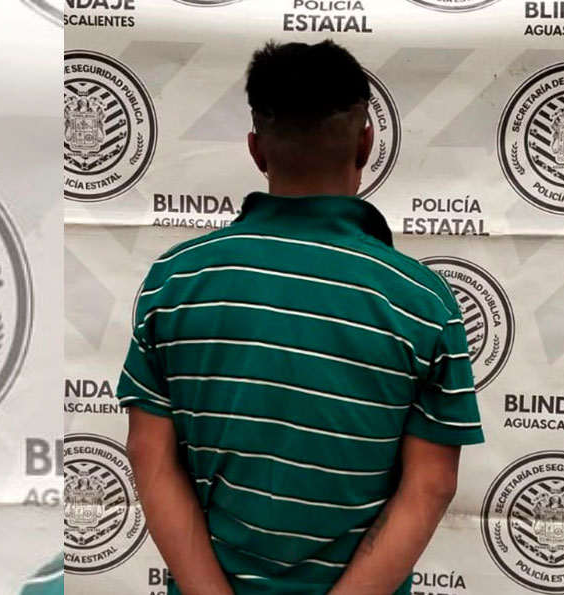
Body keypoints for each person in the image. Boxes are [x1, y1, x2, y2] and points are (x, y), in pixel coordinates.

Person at [117, 39, 484, 595]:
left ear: (256, 149)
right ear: (366, 142)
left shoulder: (176, 281)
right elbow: (431, 485)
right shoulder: (423, 301)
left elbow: (149, 456)